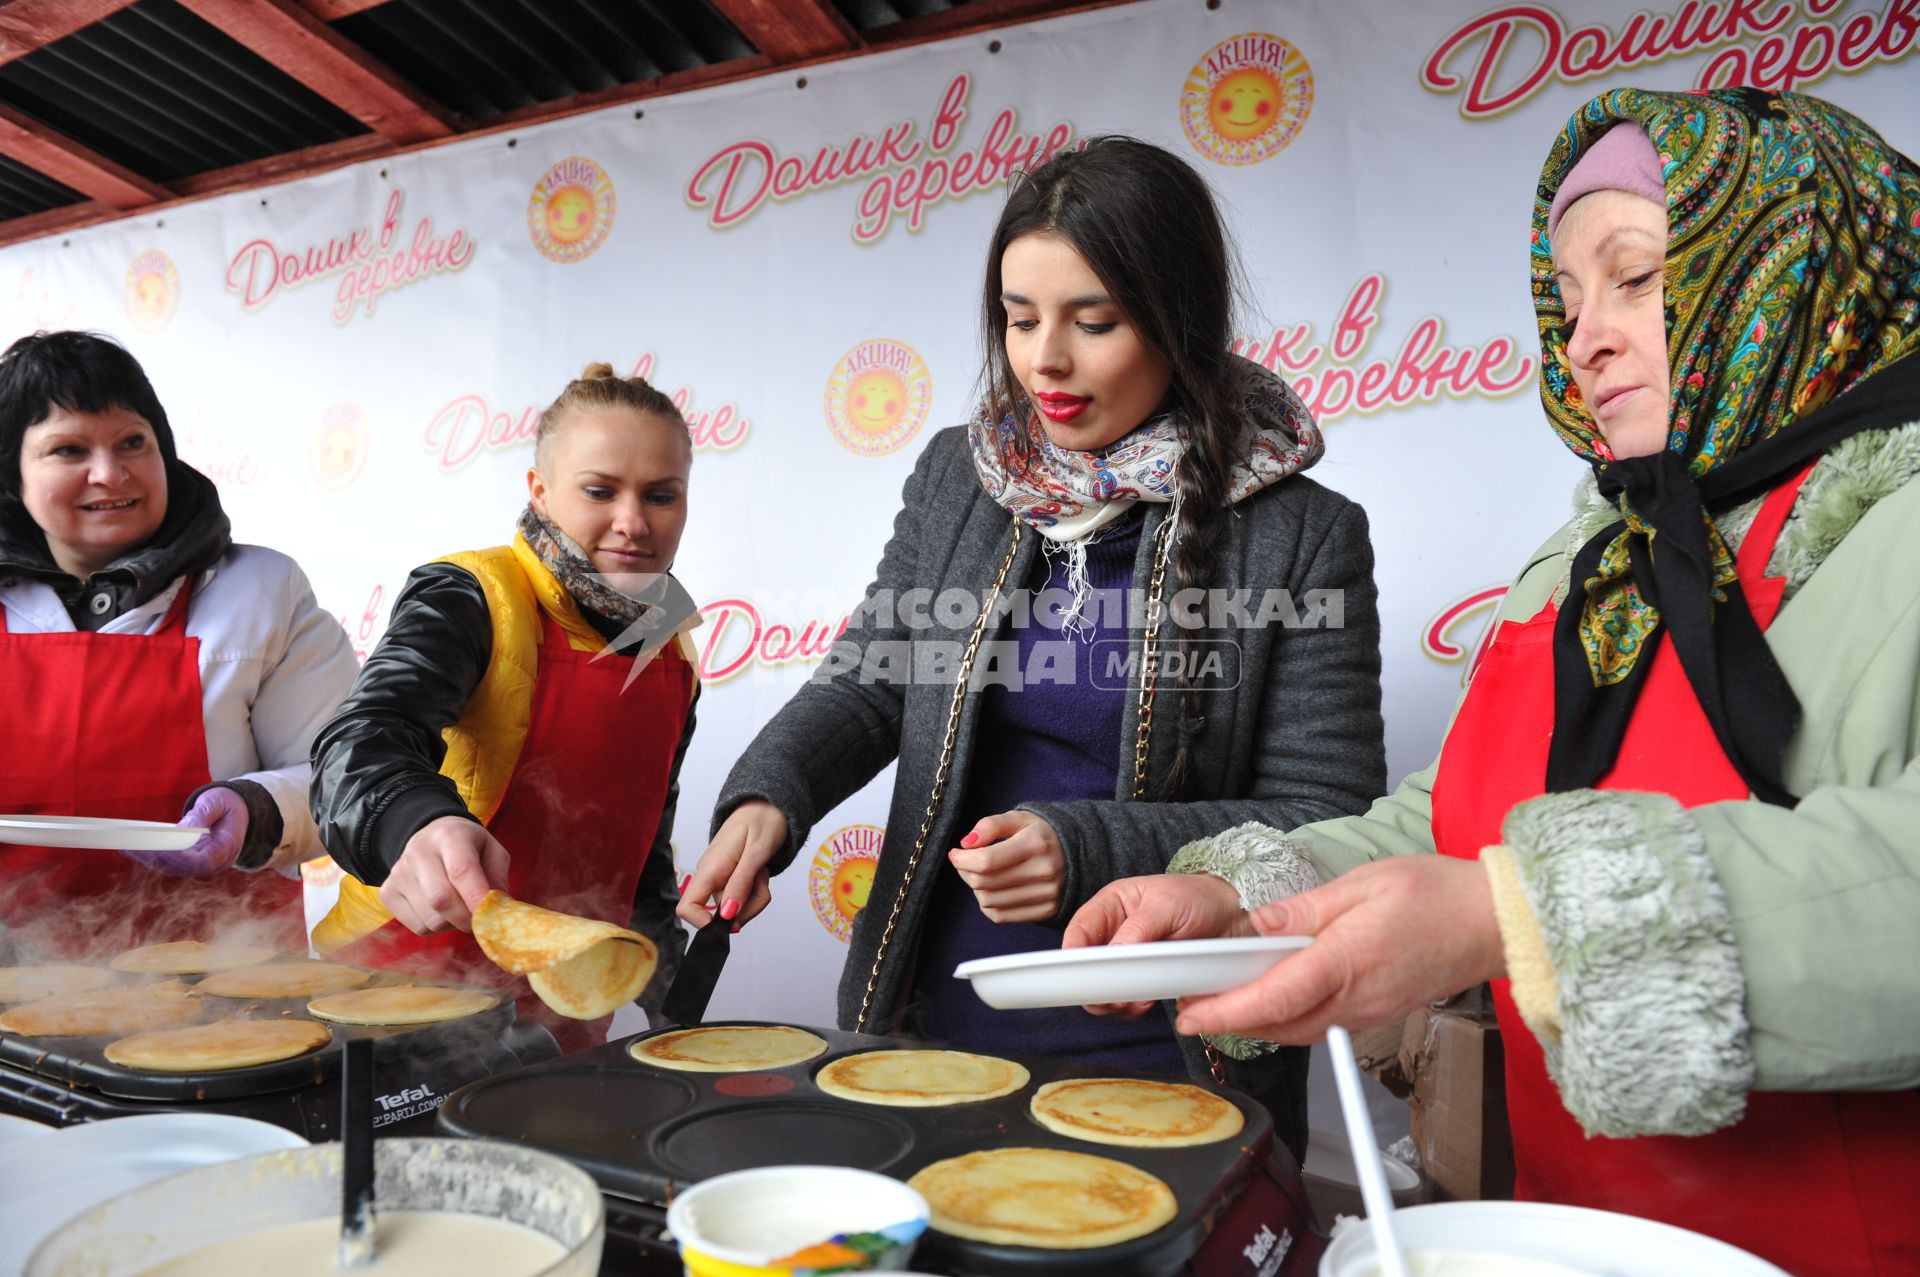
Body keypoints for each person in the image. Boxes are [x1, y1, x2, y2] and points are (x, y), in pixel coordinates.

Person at [1067, 88, 1920, 1275]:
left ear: (1791, 256)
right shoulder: (1584, 565)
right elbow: (1454, 822)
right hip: (1564, 1233)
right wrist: (1256, 905)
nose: (1587, 338)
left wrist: (1511, 916)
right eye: (1568, 299)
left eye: (1637, 278)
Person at [681, 137, 1385, 1157]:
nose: (1044, 359)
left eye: (1092, 321)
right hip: (936, 1026)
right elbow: (880, 674)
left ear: (1178, 320)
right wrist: (770, 793)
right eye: (1019, 319)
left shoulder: (1302, 534)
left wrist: (1086, 846)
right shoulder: (961, 478)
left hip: (1174, 1050)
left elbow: (1325, 817)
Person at [308, 363, 701, 1051]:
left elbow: (644, 860)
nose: (633, 522)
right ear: (540, 492)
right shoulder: (472, 594)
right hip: (403, 993)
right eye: (599, 491)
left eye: (661, 495)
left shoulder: (672, 654)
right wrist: (412, 824)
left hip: (567, 1009)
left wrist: (676, 1010)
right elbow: (362, 738)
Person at [0, 330, 357, 955]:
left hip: (230, 981)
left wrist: (256, 810)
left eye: (133, 442)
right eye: (68, 449)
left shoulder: (261, 591)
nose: (110, 473)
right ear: (13, 476)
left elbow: (344, 775)